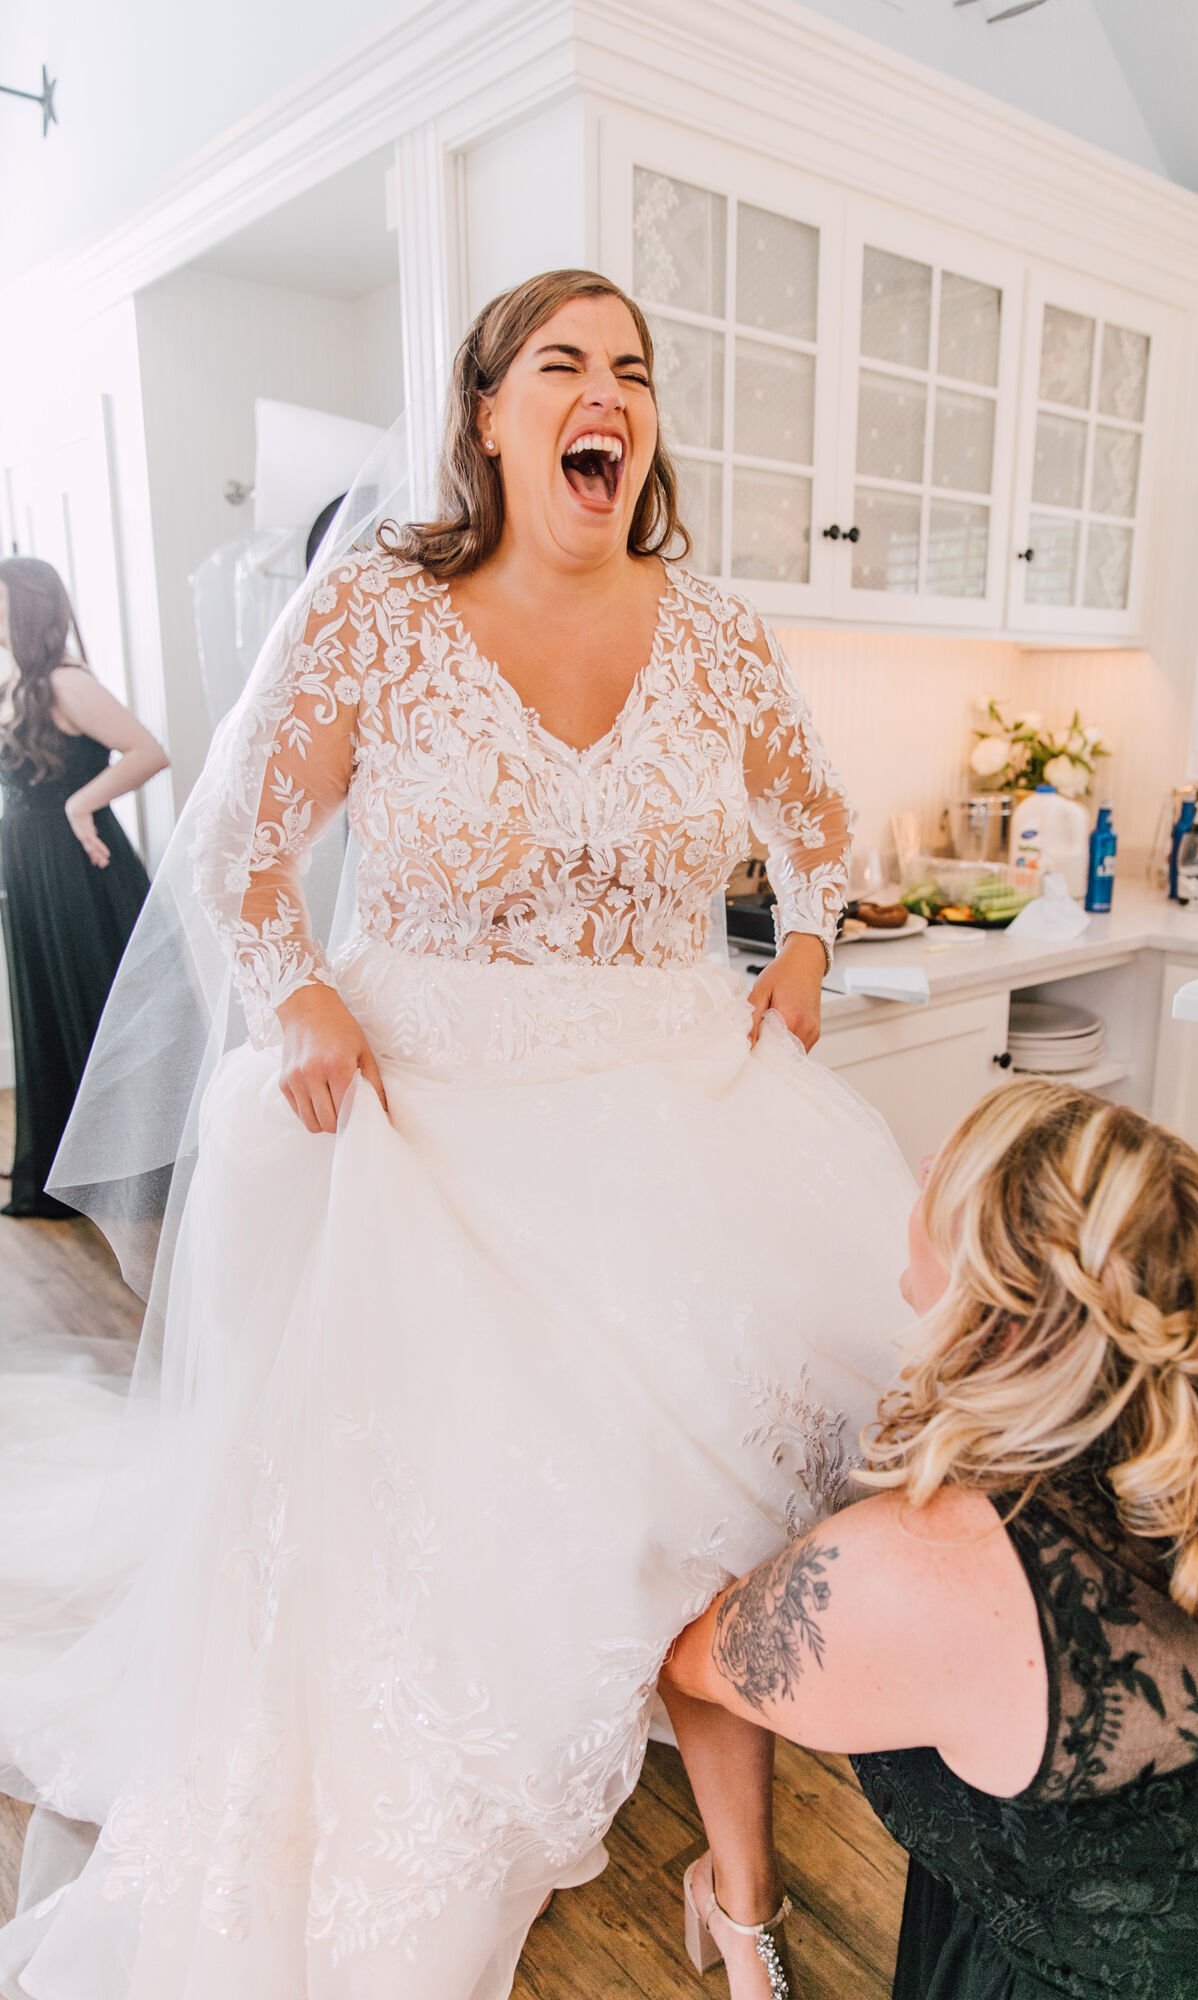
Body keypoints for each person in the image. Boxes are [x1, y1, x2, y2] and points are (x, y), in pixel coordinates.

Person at [0, 269, 919, 1999]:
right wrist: (302, 996)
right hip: (425, 1141)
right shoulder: (378, 615)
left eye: (633, 370)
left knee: (719, 1530)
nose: (609, 394)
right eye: (564, 364)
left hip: (678, 1130)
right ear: (487, 411)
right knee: (435, 1562)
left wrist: (797, 960)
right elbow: (233, 857)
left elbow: (814, 830)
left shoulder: (712, 628)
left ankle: (739, 1896)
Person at [664, 1076, 1198, 1998]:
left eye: (948, 1167)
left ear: (998, 1301)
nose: (920, 1165)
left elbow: (692, 1659)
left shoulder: (922, 1571)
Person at [0, 558, 165, 1216]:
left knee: (96, 1007)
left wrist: (78, 805)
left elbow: (148, 750)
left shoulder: (68, 681)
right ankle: (67, 1174)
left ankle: (132, 1176)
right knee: (49, 1004)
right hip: (32, 868)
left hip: (74, 866)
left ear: (27, 609)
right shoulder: (21, 681)